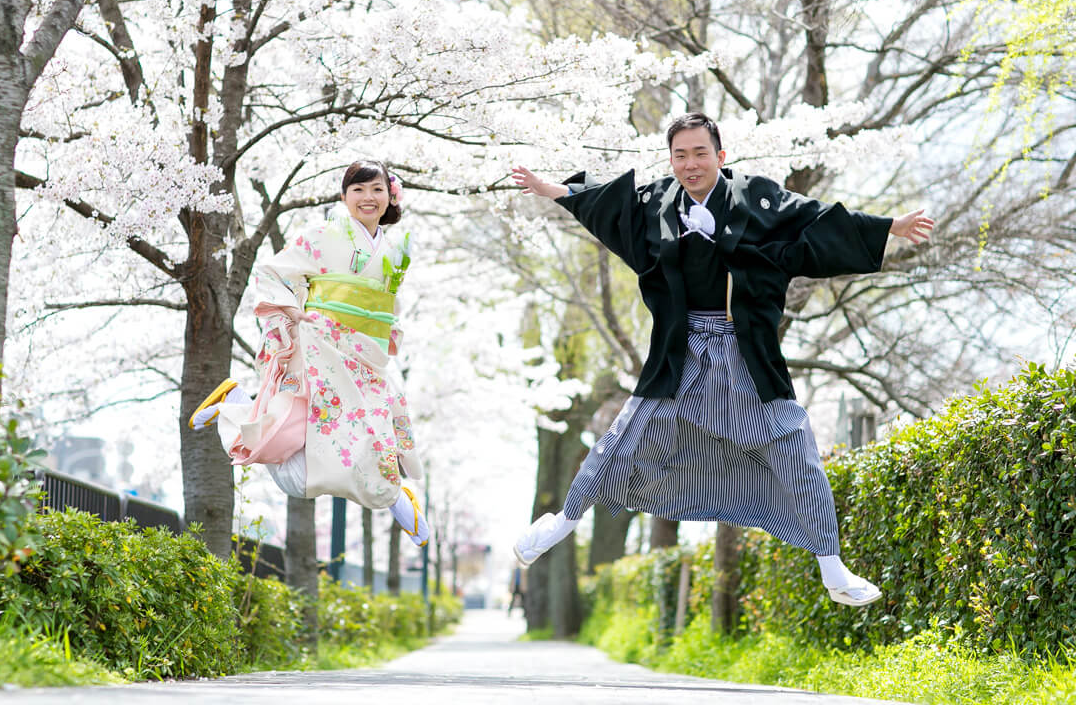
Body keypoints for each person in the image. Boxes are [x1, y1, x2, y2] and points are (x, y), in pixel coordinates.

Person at [509, 113, 933, 606]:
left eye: (699, 153)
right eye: (680, 155)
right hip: (681, 349)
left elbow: (814, 221)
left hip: (742, 351)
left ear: (721, 156)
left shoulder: (756, 198)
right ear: (670, 161)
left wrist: (887, 227)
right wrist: (552, 189)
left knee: (793, 446)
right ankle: (561, 523)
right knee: (623, 440)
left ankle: (832, 566)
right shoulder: (657, 203)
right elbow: (609, 205)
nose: (690, 164)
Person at [189, 160, 429, 546]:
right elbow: (273, 272)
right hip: (324, 350)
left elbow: (389, 302)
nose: (368, 198)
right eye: (358, 190)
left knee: (374, 442)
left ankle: (237, 403)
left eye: (377, 190)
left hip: (366, 357)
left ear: (390, 196)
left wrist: (390, 332)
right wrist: (292, 310)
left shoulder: (397, 247)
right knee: (300, 472)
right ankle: (236, 405)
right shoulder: (322, 235)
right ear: (344, 196)